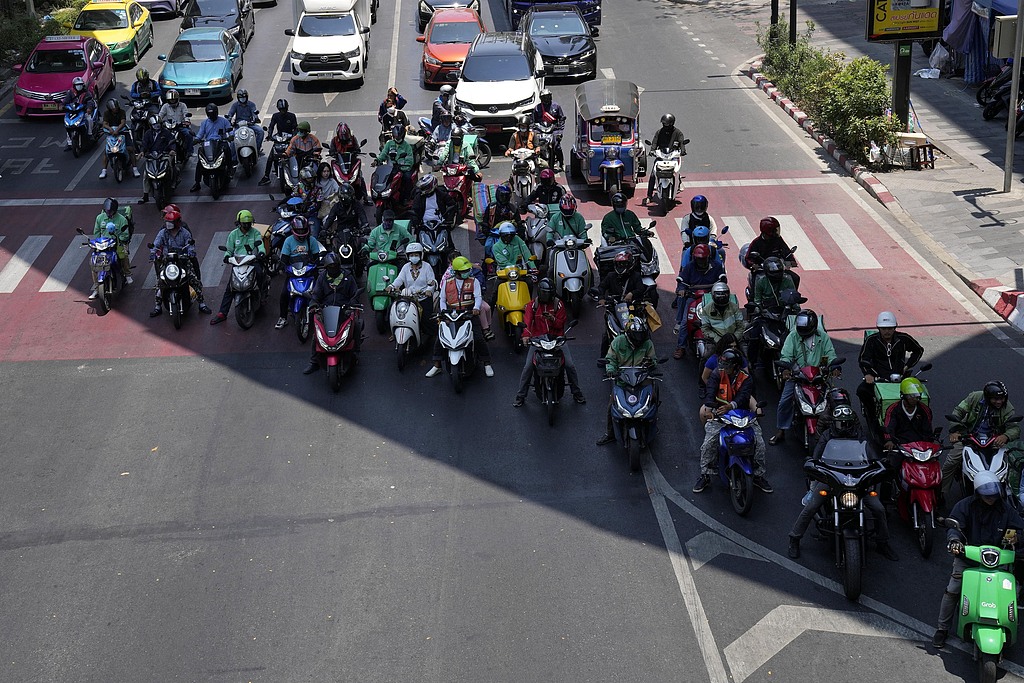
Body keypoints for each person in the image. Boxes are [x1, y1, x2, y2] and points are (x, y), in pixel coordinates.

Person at [786, 403, 899, 561]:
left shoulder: (859, 435)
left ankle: (882, 542)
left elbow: (871, 455)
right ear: (834, 423)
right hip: (833, 479)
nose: (844, 426)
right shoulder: (827, 435)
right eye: (840, 423)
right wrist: (813, 464)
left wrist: (879, 465)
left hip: (858, 480)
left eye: (846, 423)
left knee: (878, 509)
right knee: (811, 506)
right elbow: (817, 456)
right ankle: (794, 538)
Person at [933, 471, 1024, 649]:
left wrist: (1018, 537)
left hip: (998, 560)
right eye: (987, 495)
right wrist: (955, 541)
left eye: (994, 495)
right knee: (953, 589)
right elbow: (954, 526)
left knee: (1010, 592)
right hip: (968, 557)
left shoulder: (1006, 509)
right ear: (977, 493)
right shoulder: (965, 506)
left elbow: (1020, 528)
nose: (991, 498)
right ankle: (942, 628)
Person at [692, 349, 772, 494]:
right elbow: (710, 393)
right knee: (708, 443)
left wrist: (730, 406)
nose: (724, 368)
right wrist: (710, 409)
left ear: (735, 366)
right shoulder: (717, 374)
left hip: (742, 415)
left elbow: (744, 396)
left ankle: (759, 475)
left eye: (727, 365)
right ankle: (705, 474)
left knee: (759, 443)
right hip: (720, 414)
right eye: (723, 364)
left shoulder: (746, 378)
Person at [770, 309, 838, 445]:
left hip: (819, 376)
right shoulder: (793, 336)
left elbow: (830, 353)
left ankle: (838, 429)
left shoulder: (822, 336)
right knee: (785, 401)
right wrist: (785, 369)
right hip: (798, 376)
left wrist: (835, 366)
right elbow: (786, 355)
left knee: (835, 400)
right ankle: (781, 430)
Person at [513, 279, 585, 407]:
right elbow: (527, 322)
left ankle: (576, 392)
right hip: (538, 340)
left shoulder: (559, 305)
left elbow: (561, 324)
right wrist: (525, 336)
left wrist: (552, 319)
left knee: (569, 365)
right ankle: (520, 395)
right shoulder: (532, 306)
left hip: (557, 339)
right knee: (528, 367)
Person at [942, 382, 1021, 497]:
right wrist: (955, 431)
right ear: (987, 397)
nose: (999, 402)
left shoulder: (1007, 408)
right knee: (951, 461)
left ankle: (1011, 495)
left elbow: (1014, 428)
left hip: (994, 440)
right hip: (968, 437)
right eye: (995, 399)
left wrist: (1005, 436)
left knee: (1009, 464)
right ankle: (940, 493)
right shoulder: (974, 397)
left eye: (1002, 398)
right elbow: (958, 412)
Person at [425, 255, 494, 378]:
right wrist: (443, 311)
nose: (467, 272)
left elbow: (478, 297)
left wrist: (476, 309)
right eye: (464, 271)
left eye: (468, 270)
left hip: (468, 313)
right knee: (440, 339)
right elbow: (442, 299)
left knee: (478, 337)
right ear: (456, 272)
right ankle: (437, 365)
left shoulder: (474, 281)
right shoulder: (447, 283)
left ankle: (486, 363)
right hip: (451, 315)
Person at [857, 311, 925, 426]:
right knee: (862, 391)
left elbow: (918, 350)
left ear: (895, 328)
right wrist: (868, 374)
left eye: (890, 328)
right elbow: (863, 359)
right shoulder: (871, 341)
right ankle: (873, 416)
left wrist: (907, 366)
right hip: (879, 378)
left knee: (918, 395)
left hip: (900, 377)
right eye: (884, 329)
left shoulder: (903, 339)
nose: (887, 331)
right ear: (878, 328)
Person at [597, 317, 658, 445]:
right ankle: (610, 434)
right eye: (636, 335)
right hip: (622, 379)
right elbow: (610, 359)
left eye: (641, 335)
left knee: (653, 399)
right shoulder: (618, 342)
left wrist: (651, 364)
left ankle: (652, 426)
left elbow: (654, 360)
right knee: (611, 406)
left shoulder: (647, 344)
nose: (639, 338)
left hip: (642, 378)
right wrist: (611, 370)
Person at [303, 250, 363, 374]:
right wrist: (314, 303)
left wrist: (353, 302)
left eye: (335, 266)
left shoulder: (348, 276)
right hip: (326, 310)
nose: (333, 268)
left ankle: (356, 353)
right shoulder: (322, 277)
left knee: (356, 325)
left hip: (345, 309)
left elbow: (354, 293)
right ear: (326, 267)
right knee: (316, 335)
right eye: (330, 266)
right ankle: (314, 362)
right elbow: (316, 293)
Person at [148, 208, 211, 316]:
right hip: (167, 261)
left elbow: (190, 244)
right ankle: (158, 306)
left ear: (177, 222)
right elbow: (156, 244)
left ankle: (202, 303)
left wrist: (190, 252)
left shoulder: (184, 232)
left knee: (194, 280)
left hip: (183, 260)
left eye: (171, 222)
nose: (169, 225)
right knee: (160, 282)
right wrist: (153, 252)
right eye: (167, 222)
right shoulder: (163, 233)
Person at [210, 210, 266, 325]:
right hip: (238, 262)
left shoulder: (255, 233)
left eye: (249, 224)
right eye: (244, 224)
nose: (246, 226)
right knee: (230, 287)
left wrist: (261, 253)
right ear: (239, 223)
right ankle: (222, 313)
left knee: (260, 274)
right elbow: (229, 249)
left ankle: (261, 296)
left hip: (252, 261)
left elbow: (260, 245)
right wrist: (226, 257)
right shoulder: (233, 234)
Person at [673, 245, 725, 357]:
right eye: (698, 259)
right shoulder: (689, 267)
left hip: (712, 298)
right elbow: (681, 281)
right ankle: (681, 347)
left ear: (708, 257)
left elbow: (723, 279)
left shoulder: (716, 266)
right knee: (685, 322)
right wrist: (682, 290)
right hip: (693, 298)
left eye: (703, 258)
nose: (701, 261)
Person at [276, 217, 326, 329]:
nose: (301, 233)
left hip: (309, 272)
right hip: (293, 273)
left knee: (320, 291)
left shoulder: (311, 240)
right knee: (284, 294)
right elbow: (284, 258)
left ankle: (322, 313)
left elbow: (316, 257)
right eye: (299, 231)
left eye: (303, 230)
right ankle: (282, 317)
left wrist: (317, 263)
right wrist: (281, 266)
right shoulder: (288, 241)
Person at [90, 198, 133, 297]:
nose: (108, 212)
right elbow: (96, 233)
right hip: (103, 245)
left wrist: (119, 239)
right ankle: (97, 288)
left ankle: (127, 274)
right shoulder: (99, 218)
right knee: (94, 265)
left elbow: (125, 235)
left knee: (124, 255)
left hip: (117, 243)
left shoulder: (122, 219)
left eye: (110, 211)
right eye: (107, 210)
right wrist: (96, 244)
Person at [388, 242, 437, 324]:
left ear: (421, 255)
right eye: (411, 255)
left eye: (416, 255)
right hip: (409, 298)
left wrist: (429, 290)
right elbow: (399, 279)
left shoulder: (427, 266)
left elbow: (432, 281)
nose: (414, 257)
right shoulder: (405, 267)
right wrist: (391, 286)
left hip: (423, 298)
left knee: (427, 320)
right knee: (393, 311)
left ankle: (430, 335)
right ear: (408, 256)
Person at [882, 377, 935, 453]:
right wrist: (889, 440)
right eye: (911, 396)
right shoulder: (893, 409)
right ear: (903, 396)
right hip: (900, 445)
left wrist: (931, 442)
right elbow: (889, 427)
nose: (915, 399)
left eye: (917, 396)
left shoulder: (924, 410)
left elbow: (927, 429)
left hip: (920, 445)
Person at [190, 103, 234, 192]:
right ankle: (197, 183)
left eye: (213, 114)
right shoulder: (204, 123)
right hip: (208, 144)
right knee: (200, 160)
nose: (212, 116)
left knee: (227, 149)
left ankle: (230, 169)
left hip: (220, 142)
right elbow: (200, 134)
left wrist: (230, 136)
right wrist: (196, 140)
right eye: (210, 114)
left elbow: (230, 131)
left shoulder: (224, 121)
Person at [646, 113, 687, 200]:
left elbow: (681, 142)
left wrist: (683, 151)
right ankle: (649, 195)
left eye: (666, 124)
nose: (664, 125)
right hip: (661, 156)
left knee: (676, 171)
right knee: (653, 174)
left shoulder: (678, 133)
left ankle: (678, 182)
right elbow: (654, 143)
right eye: (663, 123)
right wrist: (652, 151)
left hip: (673, 156)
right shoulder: (659, 132)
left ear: (672, 123)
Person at [698, 281, 744, 356]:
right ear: (713, 295)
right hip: (715, 341)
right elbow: (705, 329)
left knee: (745, 357)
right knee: (706, 358)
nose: (721, 297)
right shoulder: (706, 309)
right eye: (718, 295)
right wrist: (718, 340)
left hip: (734, 340)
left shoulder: (734, 307)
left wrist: (734, 339)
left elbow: (741, 326)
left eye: (724, 294)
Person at [138, 115, 176, 205]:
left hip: (164, 154)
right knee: (145, 175)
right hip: (152, 156)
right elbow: (144, 144)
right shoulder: (148, 133)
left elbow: (172, 141)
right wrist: (142, 152)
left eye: (158, 125)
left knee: (170, 166)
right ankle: (145, 195)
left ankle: (172, 182)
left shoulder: (166, 132)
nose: (157, 127)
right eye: (155, 125)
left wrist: (172, 150)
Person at [259, 99, 298, 186]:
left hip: (289, 139)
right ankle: (266, 176)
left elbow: (295, 128)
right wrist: (270, 135)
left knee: (296, 155)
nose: (283, 111)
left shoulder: (292, 116)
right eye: (281, 109)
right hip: (279, 138)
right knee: (270, 158)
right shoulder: (275, 116)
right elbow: (271, 126)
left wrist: (294, 136)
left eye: (284, 109)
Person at [100, 98, 140, 179]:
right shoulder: (106, 113)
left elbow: (123, 122)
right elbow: (105, 124)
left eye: (116, 107)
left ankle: (135, 168)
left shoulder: (122, 112)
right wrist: (110, 129)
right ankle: (104, 170)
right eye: (114, 108)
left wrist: (117, 130)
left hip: (122, 132)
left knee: (130, 149)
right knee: (107, 152)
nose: (115, 109)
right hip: (111, 134)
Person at [323, 182, 370, 247]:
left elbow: (363, 216)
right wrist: (324, 229)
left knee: (364, 248)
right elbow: (330, 219)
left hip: (354, 233)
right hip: (340, 234)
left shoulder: (357, 205)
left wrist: (365, 226)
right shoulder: (336, 206)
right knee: (333, 249)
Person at [375, 124, 415, 200]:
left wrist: (403, 166)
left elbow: (410, 160)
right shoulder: (389, 144)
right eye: (395, 136)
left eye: (398, 136)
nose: (397, 138)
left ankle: (406, 198)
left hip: (402, 169)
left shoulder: (407, 147)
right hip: (391, 168)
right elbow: (383, 154)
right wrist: (377, 160)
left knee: (407, 179)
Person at [531, 89, 566, 169]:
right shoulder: (537, 108)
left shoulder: (556, 106)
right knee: (535, 147)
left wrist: (559, 132)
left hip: (553, 130)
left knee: (557, 147)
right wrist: (534, 131)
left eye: (547, 97)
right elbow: (533, 121)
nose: (546, 99)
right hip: (541, 130)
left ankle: (561, 162)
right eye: (544, 97)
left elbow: (561, 119)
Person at [62, 76, 97, 148]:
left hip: (83, 111)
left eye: (80, 85)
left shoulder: (86, 93)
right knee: (68, 124)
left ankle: (90, 134)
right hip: (73, 112)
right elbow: (65, 101)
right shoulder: (71, 93)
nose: (79, 87)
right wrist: (62, 105)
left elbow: (90, 101)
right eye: (77, 85)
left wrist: (89, 108)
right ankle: (69, 143)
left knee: (89, 119)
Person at [226, 88, 264, 153]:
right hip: (238, 126)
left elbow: (254, 113)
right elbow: (230, 114)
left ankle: (257, 150)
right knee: (232, 138)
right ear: (238, 98)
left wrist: (255, 118)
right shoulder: (235, 105)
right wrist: (229, 119)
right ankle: (233, 157)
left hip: (249, 124)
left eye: (244, 97)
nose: (243, 99)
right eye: (241, 98)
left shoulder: (251, 104)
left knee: (261, 132)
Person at [158, 89, 194, 156]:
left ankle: (190, 151)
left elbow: (185, 114)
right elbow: (160, 115)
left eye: (174, 100)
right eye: (171, 100)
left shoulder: (182, 105)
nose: (172, 101)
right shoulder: (165, 106)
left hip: (181, 126)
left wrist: (186, 121)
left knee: (188, 134)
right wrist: (158, 121)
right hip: (170, 127)